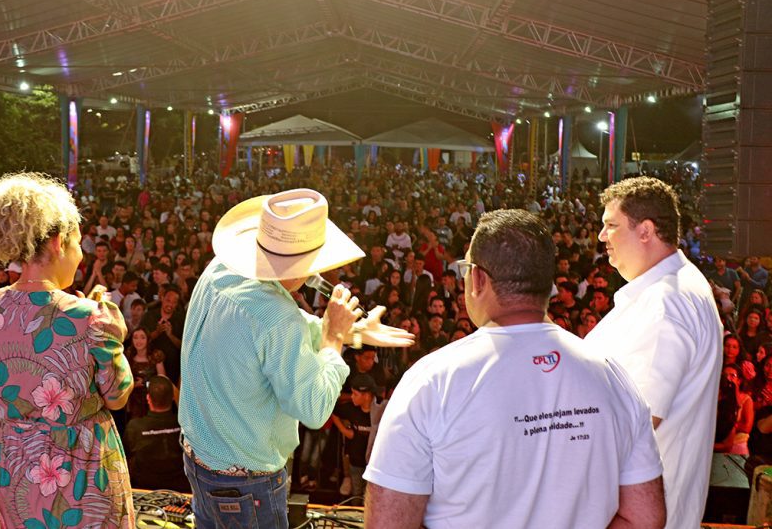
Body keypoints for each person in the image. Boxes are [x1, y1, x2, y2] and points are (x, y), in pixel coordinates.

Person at [364, 209, 665, 529]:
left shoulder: (432, 383)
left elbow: (388, 523)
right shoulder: (613, 378)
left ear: (478, 278)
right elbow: (644, 518)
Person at [178, 188, 413, 528]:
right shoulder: (278, 316)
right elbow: (314, 408)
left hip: (200, 459)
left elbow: (268, 334)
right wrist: (334, 338)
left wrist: (352, 332)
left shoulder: (221, 269)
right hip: (247, 480)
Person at [0, 172, 135, 529]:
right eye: (78, 244)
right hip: (82, 467)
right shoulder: (91, 317)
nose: (80, 256)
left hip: (16, 466)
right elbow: (118, 396)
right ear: (59, 242)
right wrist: (112, 339)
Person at [586, 177, 722, 528]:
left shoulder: (666, 303)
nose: (602, 236)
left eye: (611, 225)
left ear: (645, 230)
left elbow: (638, 423)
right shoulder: (670, 290)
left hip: (637, 513)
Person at [122, 375, 187, 492]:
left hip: (144, 490)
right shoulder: (185, 425)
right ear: (173, 397)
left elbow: (124, 459)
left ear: (148, 398)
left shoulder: (135, 427)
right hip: (182, 489)